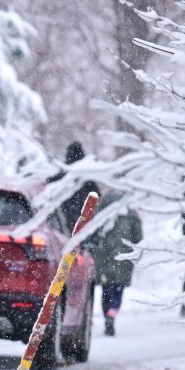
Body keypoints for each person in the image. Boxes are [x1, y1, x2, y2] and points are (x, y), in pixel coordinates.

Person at [91, 194, 143, 336]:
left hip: (103, 257)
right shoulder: (131, 211)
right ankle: (112, 314)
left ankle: (107, 315)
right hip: (124, 257)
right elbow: (138, 237)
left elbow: (93, 233)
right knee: (118, 291)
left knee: (106, 290)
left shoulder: (102, 208)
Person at [48, 141, 101, 230]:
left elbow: (53, 182)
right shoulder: (86, 172)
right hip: (83, 211)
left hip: (69, 209)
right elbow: (96, 193)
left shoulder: (67, 171)